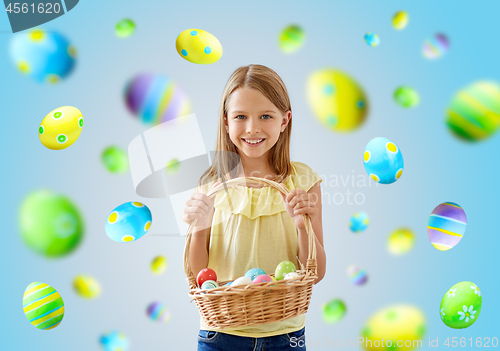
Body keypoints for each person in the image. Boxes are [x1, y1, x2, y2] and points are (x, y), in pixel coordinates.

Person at [182, 64, 327, 351]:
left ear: (284, 120)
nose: (252, 128)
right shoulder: (210, 185)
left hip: (285, 335)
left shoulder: (303, 182)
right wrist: (199, 230)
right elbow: (198, 278)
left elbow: (317, 272)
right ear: (226, 121)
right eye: (240, 117)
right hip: (220, 334)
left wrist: (301, 225)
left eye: (265, 116)